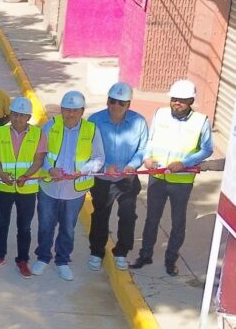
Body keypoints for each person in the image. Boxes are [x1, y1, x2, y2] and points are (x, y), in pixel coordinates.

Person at [130, 79, 213, 276]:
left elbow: (206, 149)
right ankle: (145, 254)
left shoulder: (201, 121)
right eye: (174, 99)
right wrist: (147, 158)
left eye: (182, 100)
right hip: (157, 176)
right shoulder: (161, 114)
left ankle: (170, 259)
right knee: (152, 218)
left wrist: (185, 163)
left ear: (191, 100)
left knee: (178, 221)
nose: (177, 103)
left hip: (181, 181)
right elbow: (150, 139)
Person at [32, 91, 104, 281]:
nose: (70, 114)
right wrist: (50, 169)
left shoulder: (91, 130)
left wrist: (86, 169)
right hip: (50, 188)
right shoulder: (50, 126)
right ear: (61, 110)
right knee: (46, 225)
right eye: (66, 110)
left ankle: (62, 261)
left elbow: (99, 158)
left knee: (68, 227)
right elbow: (42, 154)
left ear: (82, 111)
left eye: (75, 111)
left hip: (74, 191)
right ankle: (43, 257)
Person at [87, 83, 148, 272]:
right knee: (100, 215)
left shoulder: (139, 122)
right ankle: (97, 252)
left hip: (127, 179)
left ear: (128, 104)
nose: (116, 106)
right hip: (102, 179)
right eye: (112, 101)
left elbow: (143, 149)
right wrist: (104, 167)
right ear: (107, 101)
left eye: (121, 103)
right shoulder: (94, 120)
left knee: (128, 215)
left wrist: (132, 165)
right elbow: (86, 149)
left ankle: (121, 252)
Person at [0, 97, 46, 277]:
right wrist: (0, 172)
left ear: (28, 116)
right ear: (10, 114)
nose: (18, 118)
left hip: (27, 188)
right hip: (4, 186)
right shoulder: (1, 132)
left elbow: (38, 159)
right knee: (1, 224)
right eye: (15, 114)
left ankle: (22, 260)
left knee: (24, 227)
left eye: (22, 115)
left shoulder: (38, 133)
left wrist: (26, 176)